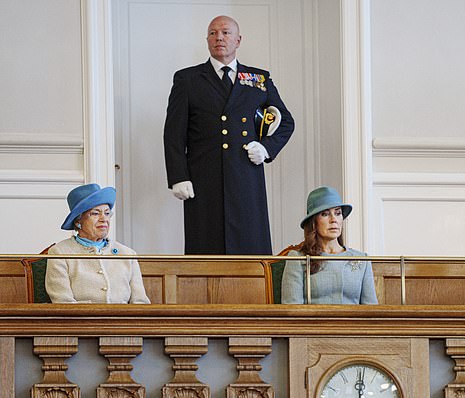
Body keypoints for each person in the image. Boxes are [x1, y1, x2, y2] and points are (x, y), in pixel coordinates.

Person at [163, 15, 295, 254]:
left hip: (246, 176)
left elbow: (285, 121)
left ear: (238, 40)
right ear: (207, 40)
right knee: (205, 244)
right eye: (213, 33)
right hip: (203, 178)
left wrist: (266, 148)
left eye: (225, 32)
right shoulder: (187, 79)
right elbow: (173, 133)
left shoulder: (258, 79)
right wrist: (178, 176)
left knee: (250, 244)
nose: (219, 38)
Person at [45, 184, 150, 304]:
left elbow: (140, 302)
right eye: (95, 213)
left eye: (107, 213)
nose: (103, 219)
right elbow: (63, 302)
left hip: (123, 322)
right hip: (81, 321)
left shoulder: (128, 254)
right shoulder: (59, 253)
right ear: (78, 221)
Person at [281, 186, 378, 304]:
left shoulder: (362, 259)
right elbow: (292, 311)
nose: (334, 220)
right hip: (312, 322)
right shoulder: (297, 258)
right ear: (313, 222)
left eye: (338, 213)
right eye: (325, 214)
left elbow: (371, 312)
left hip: (353, 323)